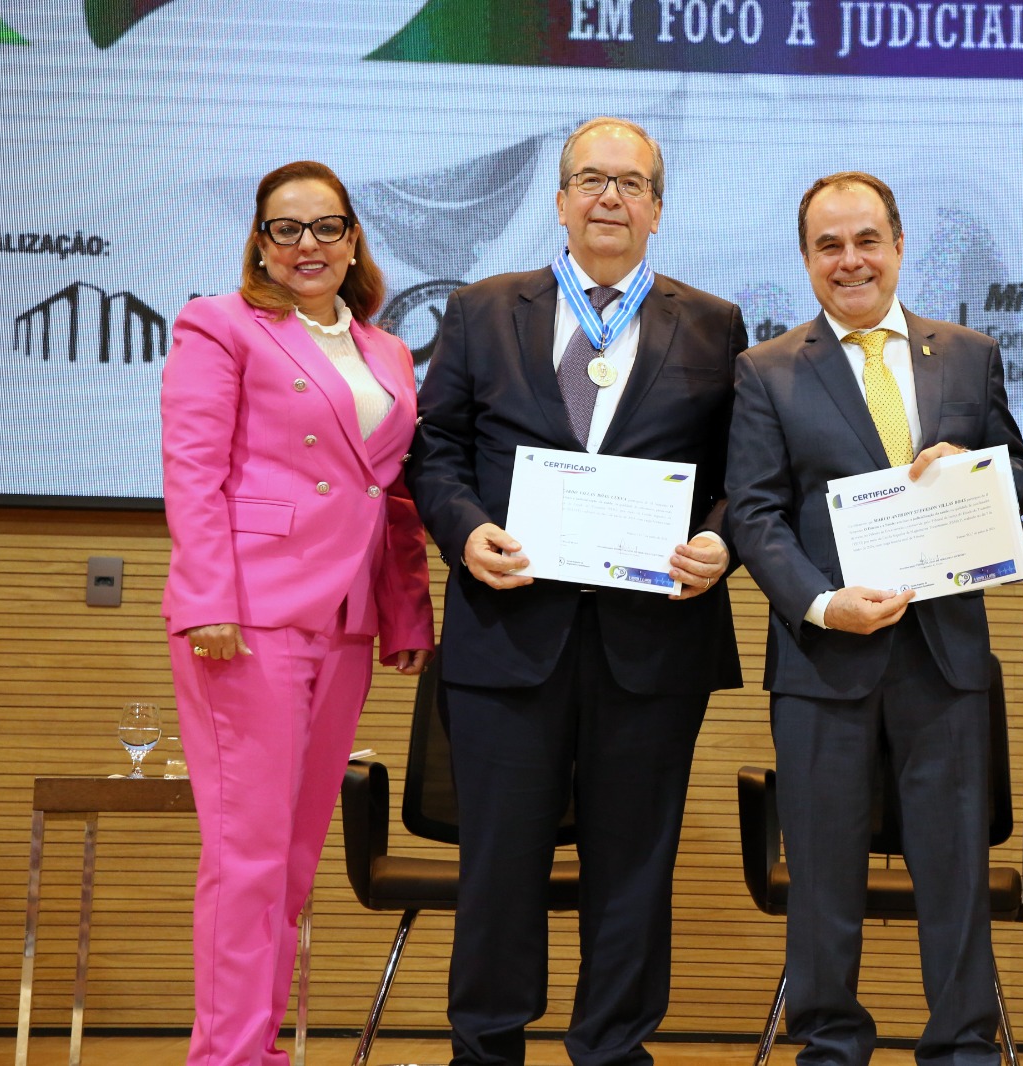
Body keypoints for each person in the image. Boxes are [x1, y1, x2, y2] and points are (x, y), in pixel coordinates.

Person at [405, 116, 745, 1066]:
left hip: (653, 645)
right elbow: (435, 451)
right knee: (500, 865)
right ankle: (486, 1048)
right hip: (508, 636)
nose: (609, 197)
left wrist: (719, 542)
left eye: (631, 183)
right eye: (591, 179)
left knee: (634, 872)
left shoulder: (712, 323)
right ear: (559, 202)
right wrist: (466, 532)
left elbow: (741, 476)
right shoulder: (482, 309)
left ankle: (611, 1051)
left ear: (657, 209)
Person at [726, 171, 1023, 1066]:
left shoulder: (969, 355)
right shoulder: (767, 369)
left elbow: (1022, 474)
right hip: (824, 662)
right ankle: (829, 1046)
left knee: (955, 875)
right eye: (829, 245)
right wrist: (823, 604)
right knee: (822, 877)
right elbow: (752, 511)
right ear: (807, 260)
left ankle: (963, 1048)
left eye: (867, 240)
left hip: (945, 661)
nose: (850, 260)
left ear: (899, 246)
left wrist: (976, 471)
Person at [161, 160, 435, 1066]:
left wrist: (404, 611)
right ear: (261, 245)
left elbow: (388, 494)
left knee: (292, 856)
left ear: (354, 239)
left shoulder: (387, 351)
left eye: (326, 227)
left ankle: (258, 1047)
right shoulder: (220, 325)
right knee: (245, 858)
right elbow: (193, 472)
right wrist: (207, 599)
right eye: (287, 228)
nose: (308, 244)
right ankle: (228, 1056)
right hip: (246, 615)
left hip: (344, 621)